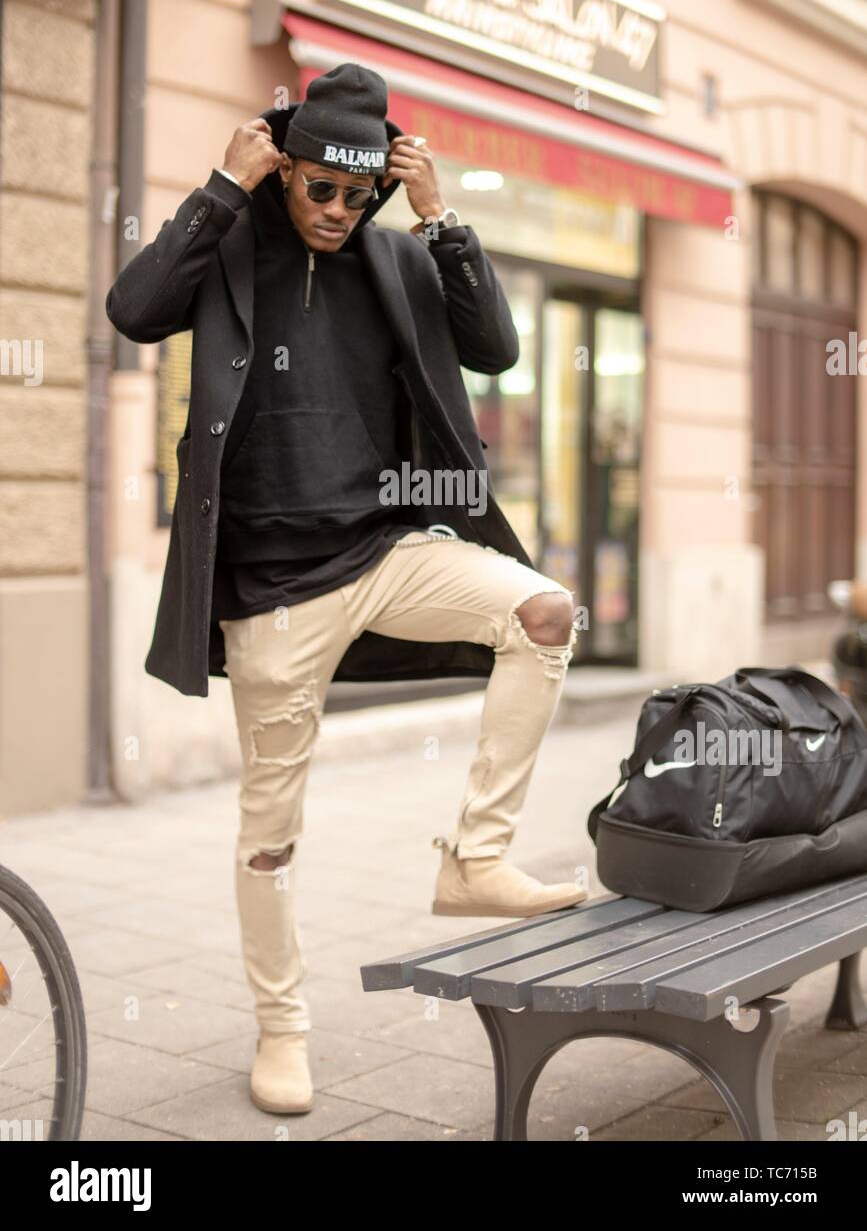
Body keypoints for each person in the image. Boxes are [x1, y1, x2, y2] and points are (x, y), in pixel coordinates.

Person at [106, 63, 586, 1116]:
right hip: (271, 589)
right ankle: (282, 1030)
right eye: (319, 188)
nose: (335, 211)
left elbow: (497, 348)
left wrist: (442, 220)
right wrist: (221, 189)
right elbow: (133, 309)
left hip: (386, 549)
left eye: (356, 194)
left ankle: (478, 856)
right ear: (287, 168)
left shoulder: (396, 256)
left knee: (545, 610)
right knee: (271, 835)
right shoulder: (232, 241)